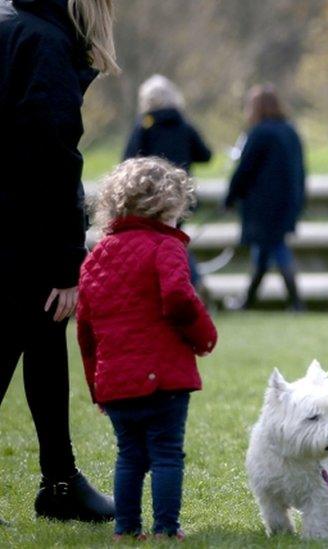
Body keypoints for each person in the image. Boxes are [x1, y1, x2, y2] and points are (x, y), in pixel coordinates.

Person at [0, 0, 118, 522]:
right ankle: (61, 482)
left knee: (47, 340)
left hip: (14, 227)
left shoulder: (12, 26)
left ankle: (61, 482)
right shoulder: (43, 42)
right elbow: (52, 157)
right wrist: (69, 262)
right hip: (20, 233)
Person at [76, 157, 218, 541]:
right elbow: (178, 296)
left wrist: (96, 386)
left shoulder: (96, 258)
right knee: (167, 454)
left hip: (116, 382)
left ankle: (125, 528)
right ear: (166, 207)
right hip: (164, 378)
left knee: (129, 457)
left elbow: (86, 331)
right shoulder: (166, 246)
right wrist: (204, 336)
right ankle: (166, 529)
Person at [122, 74, 213, 292]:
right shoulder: (183, 124)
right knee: (175, 240)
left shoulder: (144, 126)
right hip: (180, 195)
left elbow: (128, 158)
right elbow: (205, 154)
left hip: (150, 196)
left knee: (155, 242)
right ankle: (192, 282)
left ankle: (184, 283)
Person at [224, 84, 306, 311]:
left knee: (275, 247)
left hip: (263, 205)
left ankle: (295, 301)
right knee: (265, 249)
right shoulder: (290, 131)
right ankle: (249, 300)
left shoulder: (259, 133)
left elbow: (244, 170)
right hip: (287, 202)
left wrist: (230, 198)